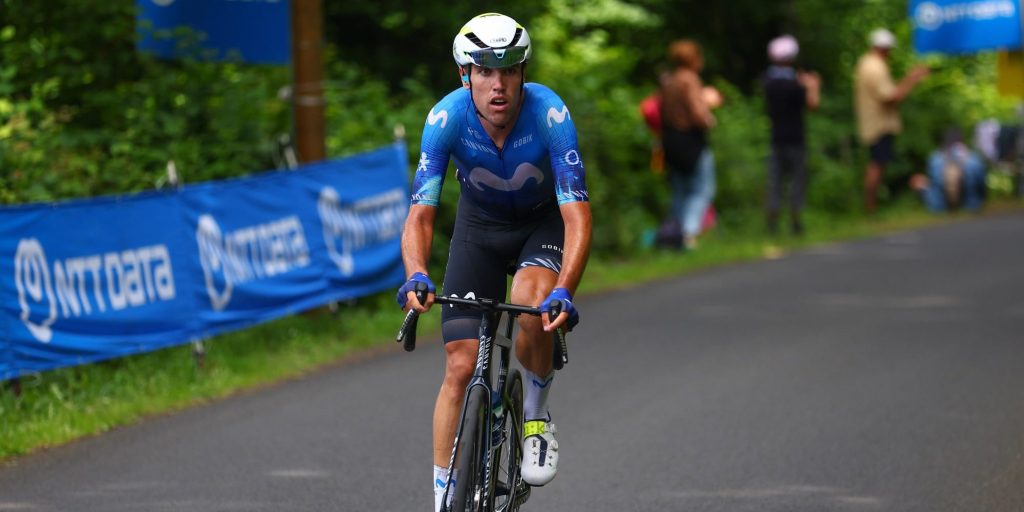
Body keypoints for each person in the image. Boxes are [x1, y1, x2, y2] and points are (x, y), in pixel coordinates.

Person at [395, 13, 592, 512]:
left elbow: (577, 218)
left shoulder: (550, 114)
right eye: (484, 71)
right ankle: (444, 498)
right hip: (478, 231)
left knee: (530, 302)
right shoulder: (446, 120)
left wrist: (564, 290)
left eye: (507, 69)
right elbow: (420, 215)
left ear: (523, 72)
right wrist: (416, 273)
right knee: (460, 363)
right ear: (465, 76)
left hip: (539, 226)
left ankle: (535, 416)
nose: (497, 84)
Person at [854, 28, 930, 214]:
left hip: (873, 124)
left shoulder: (865, 63)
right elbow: (890, 98)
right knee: (877, 163)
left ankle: (872, 205)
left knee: (878, 162)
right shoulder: (875, 67)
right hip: (878, 125)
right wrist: (912, 79)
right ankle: (870, 207)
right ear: (884, 48)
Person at [658, 39, 719, 250]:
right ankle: (688, 233)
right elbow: (697, 111)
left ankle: (674, 234)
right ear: (693, 58)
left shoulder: (669, 80)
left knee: (679, 190)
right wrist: (710, 117)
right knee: (703, 189)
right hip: (690, 141)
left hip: (670, 140)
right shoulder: (689, 79)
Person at [762, 35, 820, 236]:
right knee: (797, 180)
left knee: (775, 181)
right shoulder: (796, 86)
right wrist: (813, 87)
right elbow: (812, 105)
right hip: (796, 138)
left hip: (776, 138)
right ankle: (796, 222)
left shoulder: (768, 82)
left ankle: (772, 223)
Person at [910, 127, 987, 212]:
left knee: (919, 180)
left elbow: (933, 182)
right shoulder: (972, 158)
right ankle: (972, 203)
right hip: (971, 204)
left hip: (939, 205)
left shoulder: (935, 158)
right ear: (962, 140)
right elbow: (981, 183)